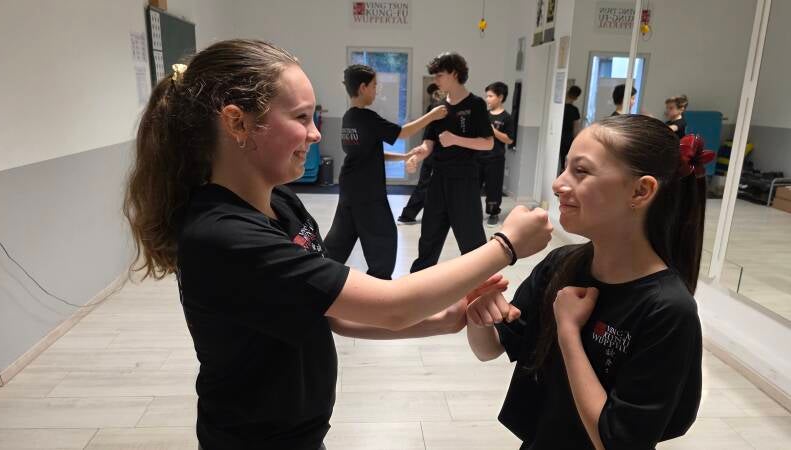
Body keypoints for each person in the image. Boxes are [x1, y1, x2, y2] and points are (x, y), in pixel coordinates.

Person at [123, 39, 553, 450]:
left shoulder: (281, 204)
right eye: (302, 118)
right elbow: (392, 304)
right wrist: (507, 244)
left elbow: (328, 312)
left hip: (301, 432)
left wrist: (446, 318)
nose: (314, 134)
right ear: (238, 123)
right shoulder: (224, 236)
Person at [466, 115, 706, 449]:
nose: (558, 183)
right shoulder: (561, 266)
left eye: (581, 171)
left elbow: (616, 441)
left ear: (641, 190)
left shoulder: (666, 310)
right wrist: (479, 315)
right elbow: (490, 348)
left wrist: (568, 332)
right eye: (565, 167)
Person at [323, 65, 446, 279]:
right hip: (367, 193)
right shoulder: (367, 117)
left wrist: (404, 156)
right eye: (374, 85)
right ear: (363, 87)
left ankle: (318, 277)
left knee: (339, 242)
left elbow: (370, 153)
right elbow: (402, 132)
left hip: (350, 189)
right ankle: (379, 288)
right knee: (384, 240)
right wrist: (432, 115)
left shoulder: (349, 117)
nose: (376, 90)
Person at [406, 52, 495, 272]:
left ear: (455, 73)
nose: (436, 80)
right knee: (429, 236)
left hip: (465, 179)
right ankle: (418, 287)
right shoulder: (436, 108)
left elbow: (488, 143)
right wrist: (417, 156)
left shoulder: (475, 105)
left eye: (439, 75)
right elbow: (429, 144)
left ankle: (481, 286)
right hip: (439, 179)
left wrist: (456, 139)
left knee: (471, 239)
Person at [398, 83, 445, 224]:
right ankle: (408, 215)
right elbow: (429, 138)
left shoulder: (445, 108)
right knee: (426, 185)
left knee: (429, 186)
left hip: (440, 156)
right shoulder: (435, 109)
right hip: (433, 154)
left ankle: (409, 215)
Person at [480, 81, 514, 226]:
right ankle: (472, 212)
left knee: (493, 187)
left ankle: (493, 213)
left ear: (500, 97)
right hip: (478, 157)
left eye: (490, 96)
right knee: (473, 186)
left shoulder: (507, 117)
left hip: (495, 158)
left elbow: (509, 140)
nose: (487, 99)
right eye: (487, 96)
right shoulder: (483, 115)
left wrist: (493, 131)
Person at [559, 85, 582, 173]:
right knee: (566, 160)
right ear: (576, 98)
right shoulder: (574, 110)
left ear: (567, 93)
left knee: (559, 158)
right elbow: (576, 128)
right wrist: (577, 141)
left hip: (559, 136)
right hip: (568, 138)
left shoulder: (559, 108)